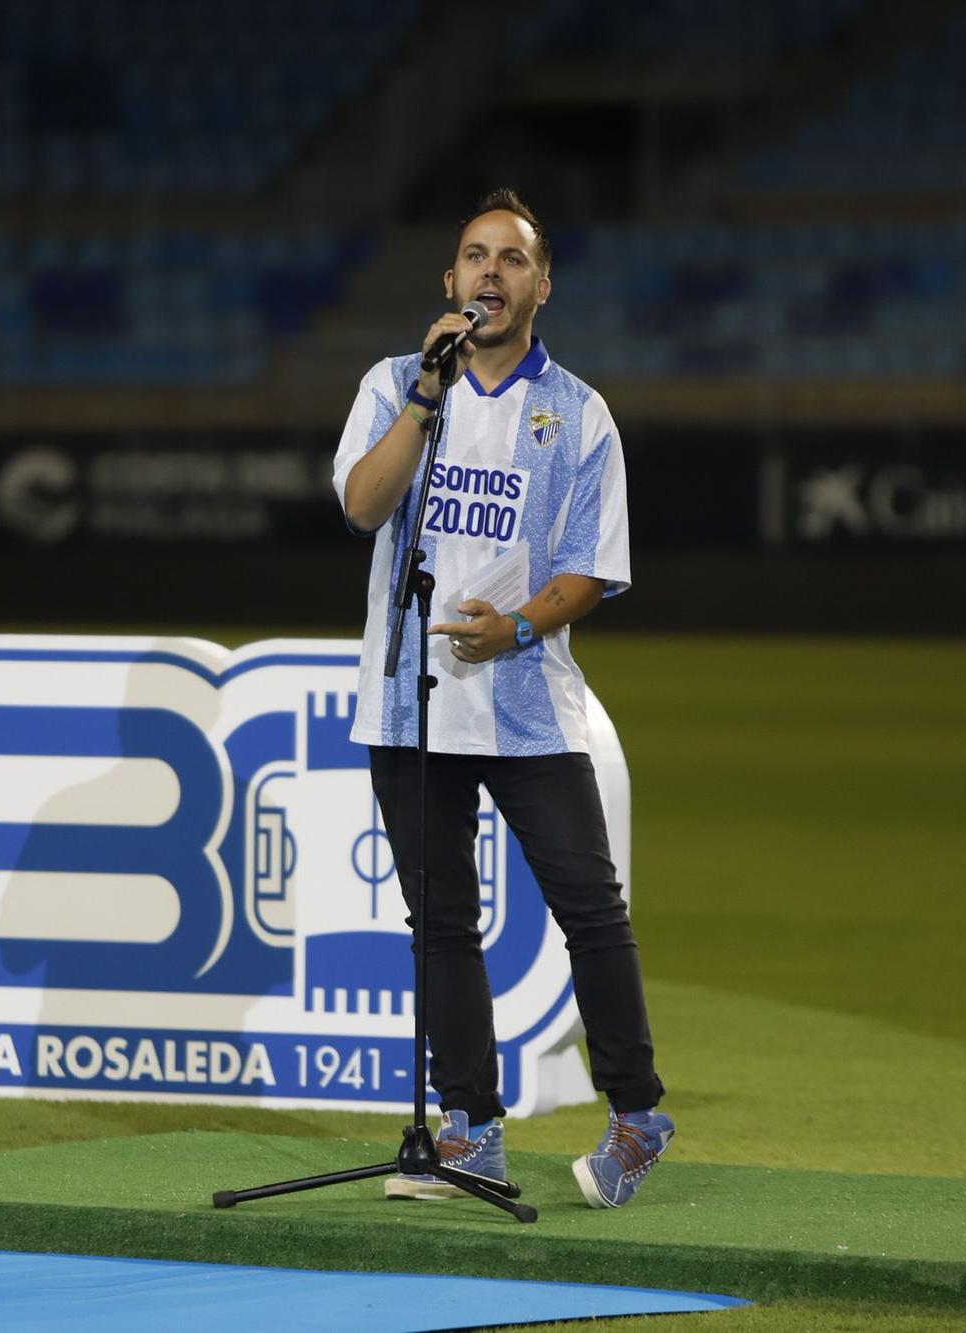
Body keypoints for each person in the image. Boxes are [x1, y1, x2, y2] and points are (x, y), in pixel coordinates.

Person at [330, 189, 670, 1209]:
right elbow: (360, 504)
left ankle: (636, 1113)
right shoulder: (396, 384)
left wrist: (515, 625)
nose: (489, 274)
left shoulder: (577, 412)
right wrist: (426, 400)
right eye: (473, 257)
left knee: (588, 912)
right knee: (438, 922)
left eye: (510, 260)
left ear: (540, 283)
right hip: (407, 704)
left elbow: (588, 570)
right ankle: (469, 1131)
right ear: (448, 282)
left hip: (527, 703)